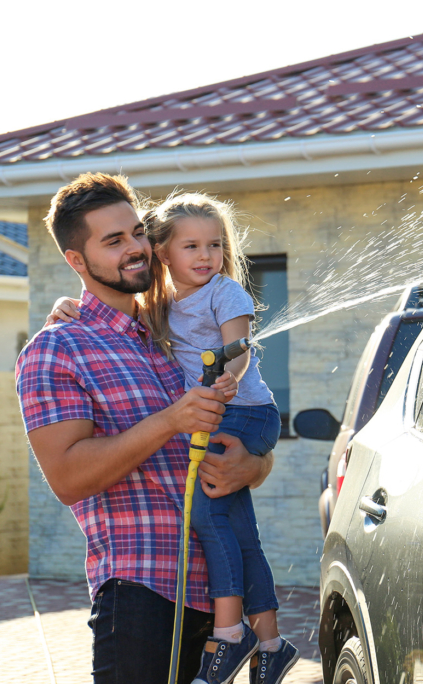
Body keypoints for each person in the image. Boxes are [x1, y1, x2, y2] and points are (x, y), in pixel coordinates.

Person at [16, 173, 273, 684]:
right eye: (113, 241)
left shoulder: (172, 329)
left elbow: (227, 441)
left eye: (137, 233)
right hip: (141, 596)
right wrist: (170, 420)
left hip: (220, 597)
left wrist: (255, 466)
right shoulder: (56, 349)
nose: (135, 248)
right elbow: (68, 477)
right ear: (77, 261)